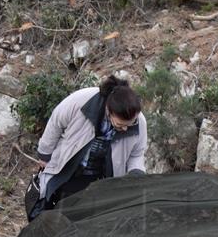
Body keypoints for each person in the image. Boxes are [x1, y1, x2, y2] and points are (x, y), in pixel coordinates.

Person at [28, 75, 147, 220]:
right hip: (70, 167)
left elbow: (137, 153)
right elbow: (56, 123)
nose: (124, 129)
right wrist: (45, 154)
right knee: (61, 213)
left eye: (129, 125)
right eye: (120, 125)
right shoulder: (82, 100)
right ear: (109, 110)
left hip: (103, 179)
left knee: (92, 218)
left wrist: (136, 173)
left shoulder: (138, 121)